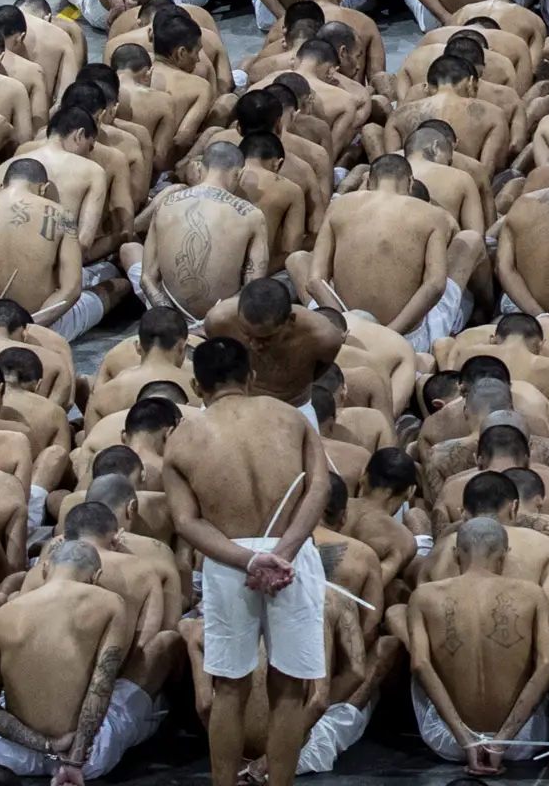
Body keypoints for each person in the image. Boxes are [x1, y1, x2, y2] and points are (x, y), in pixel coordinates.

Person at [160, 333, 332, 786]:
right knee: (290, 689)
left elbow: (185, 522)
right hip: (291, 555)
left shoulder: (182, 438)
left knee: (229, 688)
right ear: (251, 377)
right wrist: (284, 551)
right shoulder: (291, 418)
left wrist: (249, 560)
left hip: (229, 561)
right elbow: (320, 488)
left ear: (196, 387)